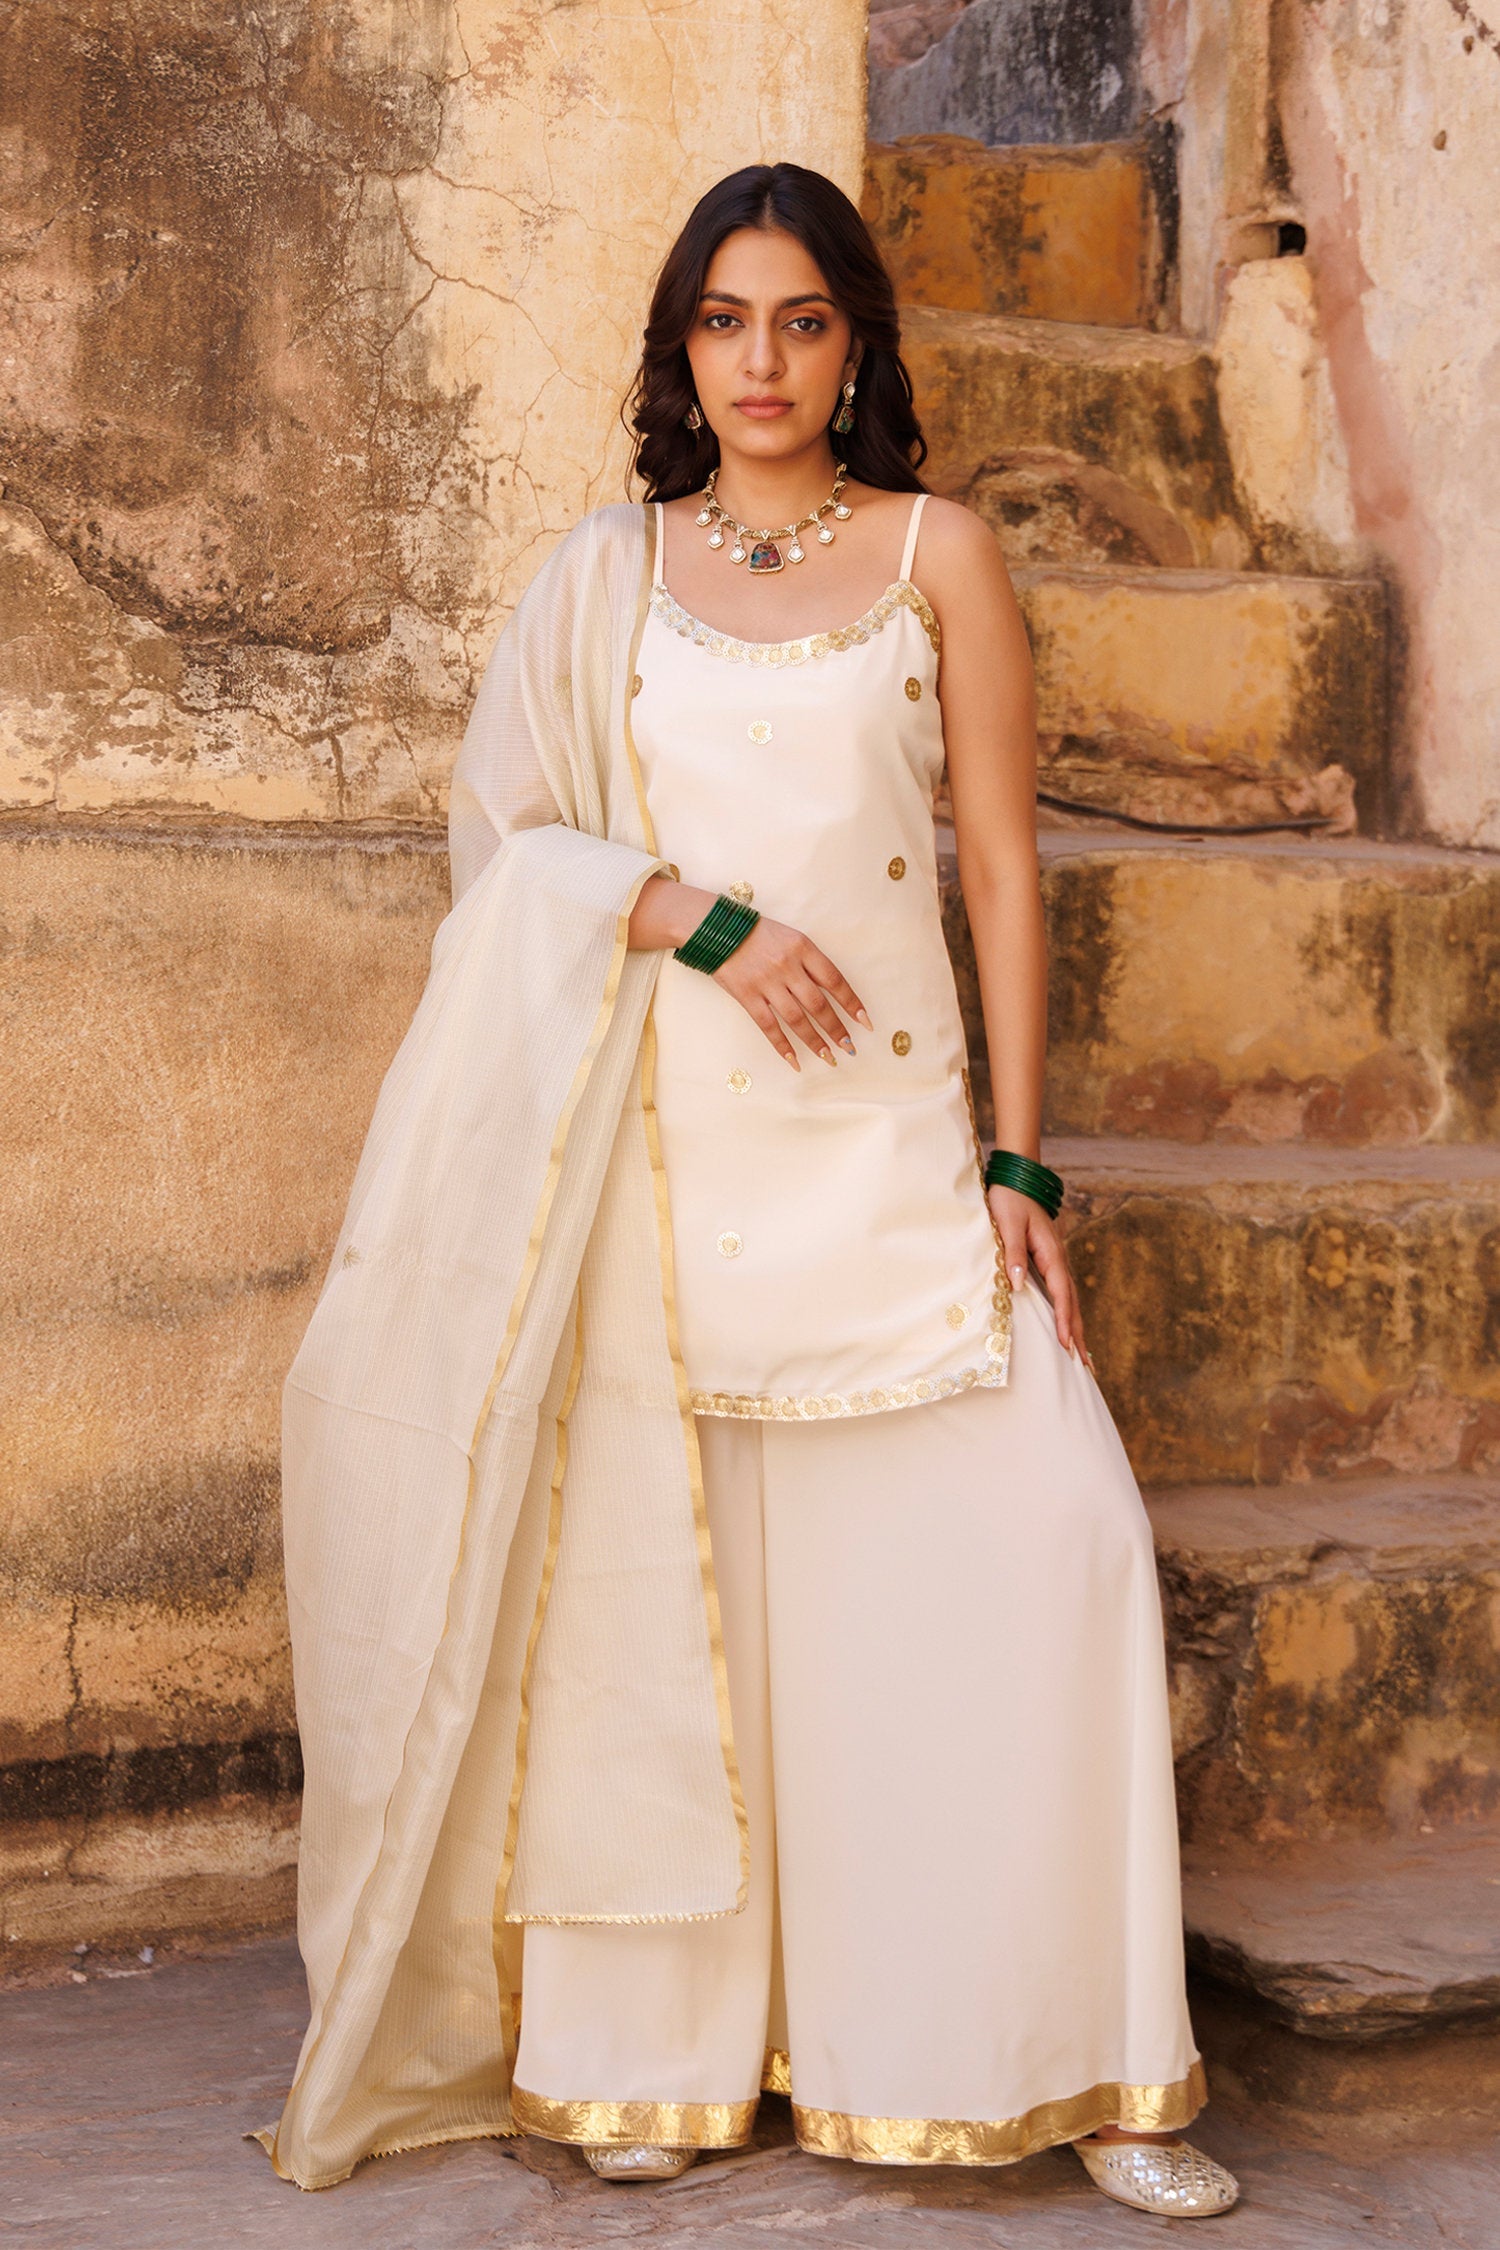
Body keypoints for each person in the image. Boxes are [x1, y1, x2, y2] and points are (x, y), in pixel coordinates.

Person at [256, 165, 1238, 2221]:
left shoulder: (937, 555)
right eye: (724, 321)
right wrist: (693, 915)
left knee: (1053, 1552)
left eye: (800, 321)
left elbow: (998, 871)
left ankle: (1066, 2055)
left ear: (856, 342)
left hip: (892, 1162)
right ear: (680, 349)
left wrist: (1020, 1161)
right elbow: (507, 846)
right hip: (665, 1177)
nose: (761, 361)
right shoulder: (603, 576)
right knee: (670, 1624)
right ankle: (655, 2056)